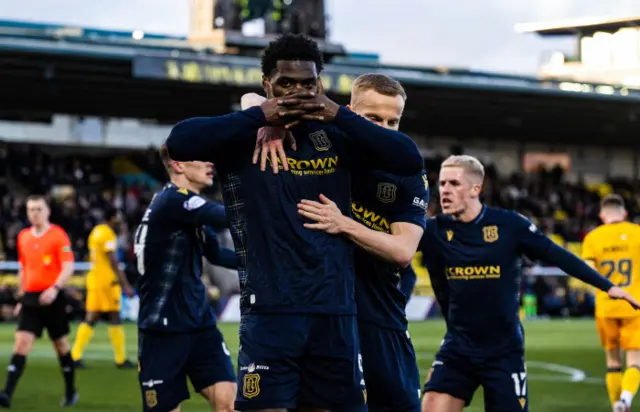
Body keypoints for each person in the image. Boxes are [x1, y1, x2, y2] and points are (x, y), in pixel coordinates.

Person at [165, 33, 424, 411]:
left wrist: (337, 112)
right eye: (287, 83)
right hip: (270, 312)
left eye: (308, 83)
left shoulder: (338, 135)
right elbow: (180, 141)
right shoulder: (243, 136)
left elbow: (408, 158)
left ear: (319, 85)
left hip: (334, 314)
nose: (298, 91)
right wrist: (259, 115)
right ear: (267, 84)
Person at [244, 73, 428, 411]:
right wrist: (268, 125)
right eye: (373, 118)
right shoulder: (322, 138)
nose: (384, 129)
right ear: (347, 112)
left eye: (393, 121)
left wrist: (344, 224)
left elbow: (403, 251)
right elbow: (250, 99)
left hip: (380, 318)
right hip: (321, 316)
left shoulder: (407, 171)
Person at [419, 155, 640, 412]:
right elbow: (394, 246)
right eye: (442, 183)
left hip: (503, 351)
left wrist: (607, 286)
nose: (444, 190)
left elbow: (556, 254)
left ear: (475, 189)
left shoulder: (509, 225)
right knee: (432, 405)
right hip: (458, 346)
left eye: (454, 184)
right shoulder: (432, 231)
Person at [135, 146, 238, 412]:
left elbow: (217, 254)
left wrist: (267, 263)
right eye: (201, 157)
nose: (210, 162)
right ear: (179, 165)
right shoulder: (173, 201)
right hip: (163, 328)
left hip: (199, 323)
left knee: (231, 404)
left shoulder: (188, 213)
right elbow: (228, 217)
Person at [0, 195, 78, 407]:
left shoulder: (58, 235)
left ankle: (71, 390)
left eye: (38, 209)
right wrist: (21, 296)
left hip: (53, 298)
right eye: (31, 209)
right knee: (21, 344)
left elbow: (68, 265)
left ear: (47, 211)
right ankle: (6, 393)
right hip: (31, 300)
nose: (34, 213)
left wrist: (55, 288)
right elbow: (24, 268)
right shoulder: (23, 236)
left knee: (61, 346)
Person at [581, 194, 640, 412]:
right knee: (634, 360)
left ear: (602, 214)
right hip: (635, 305)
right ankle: (625, 400)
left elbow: (587, 270)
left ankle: (616, 404)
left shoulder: (593, 237)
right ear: (624, 213)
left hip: (606, 306)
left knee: (612, 361)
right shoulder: (637, 233)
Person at [71, 208, 136, 369]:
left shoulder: (96, 231)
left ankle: (74, 356)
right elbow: (112, 261)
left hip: (95, 279)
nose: (120, 221)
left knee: (94, 317)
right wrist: (125, 284)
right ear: (112, 218)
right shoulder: (107, 234)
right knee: (110, 318)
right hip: (107, 282)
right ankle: (120, 359)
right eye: (118, 217)